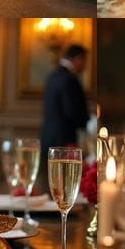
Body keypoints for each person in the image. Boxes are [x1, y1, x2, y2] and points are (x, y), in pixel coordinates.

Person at [39, 45, 89, 189]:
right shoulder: (69, 79)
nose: (85, 65)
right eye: (84, 60)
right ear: (77, 59)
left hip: (48, 138)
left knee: (51, 187)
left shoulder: (53, 76)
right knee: (61, 187)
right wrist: (86, 122)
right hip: (63, 142)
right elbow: (72, 112)